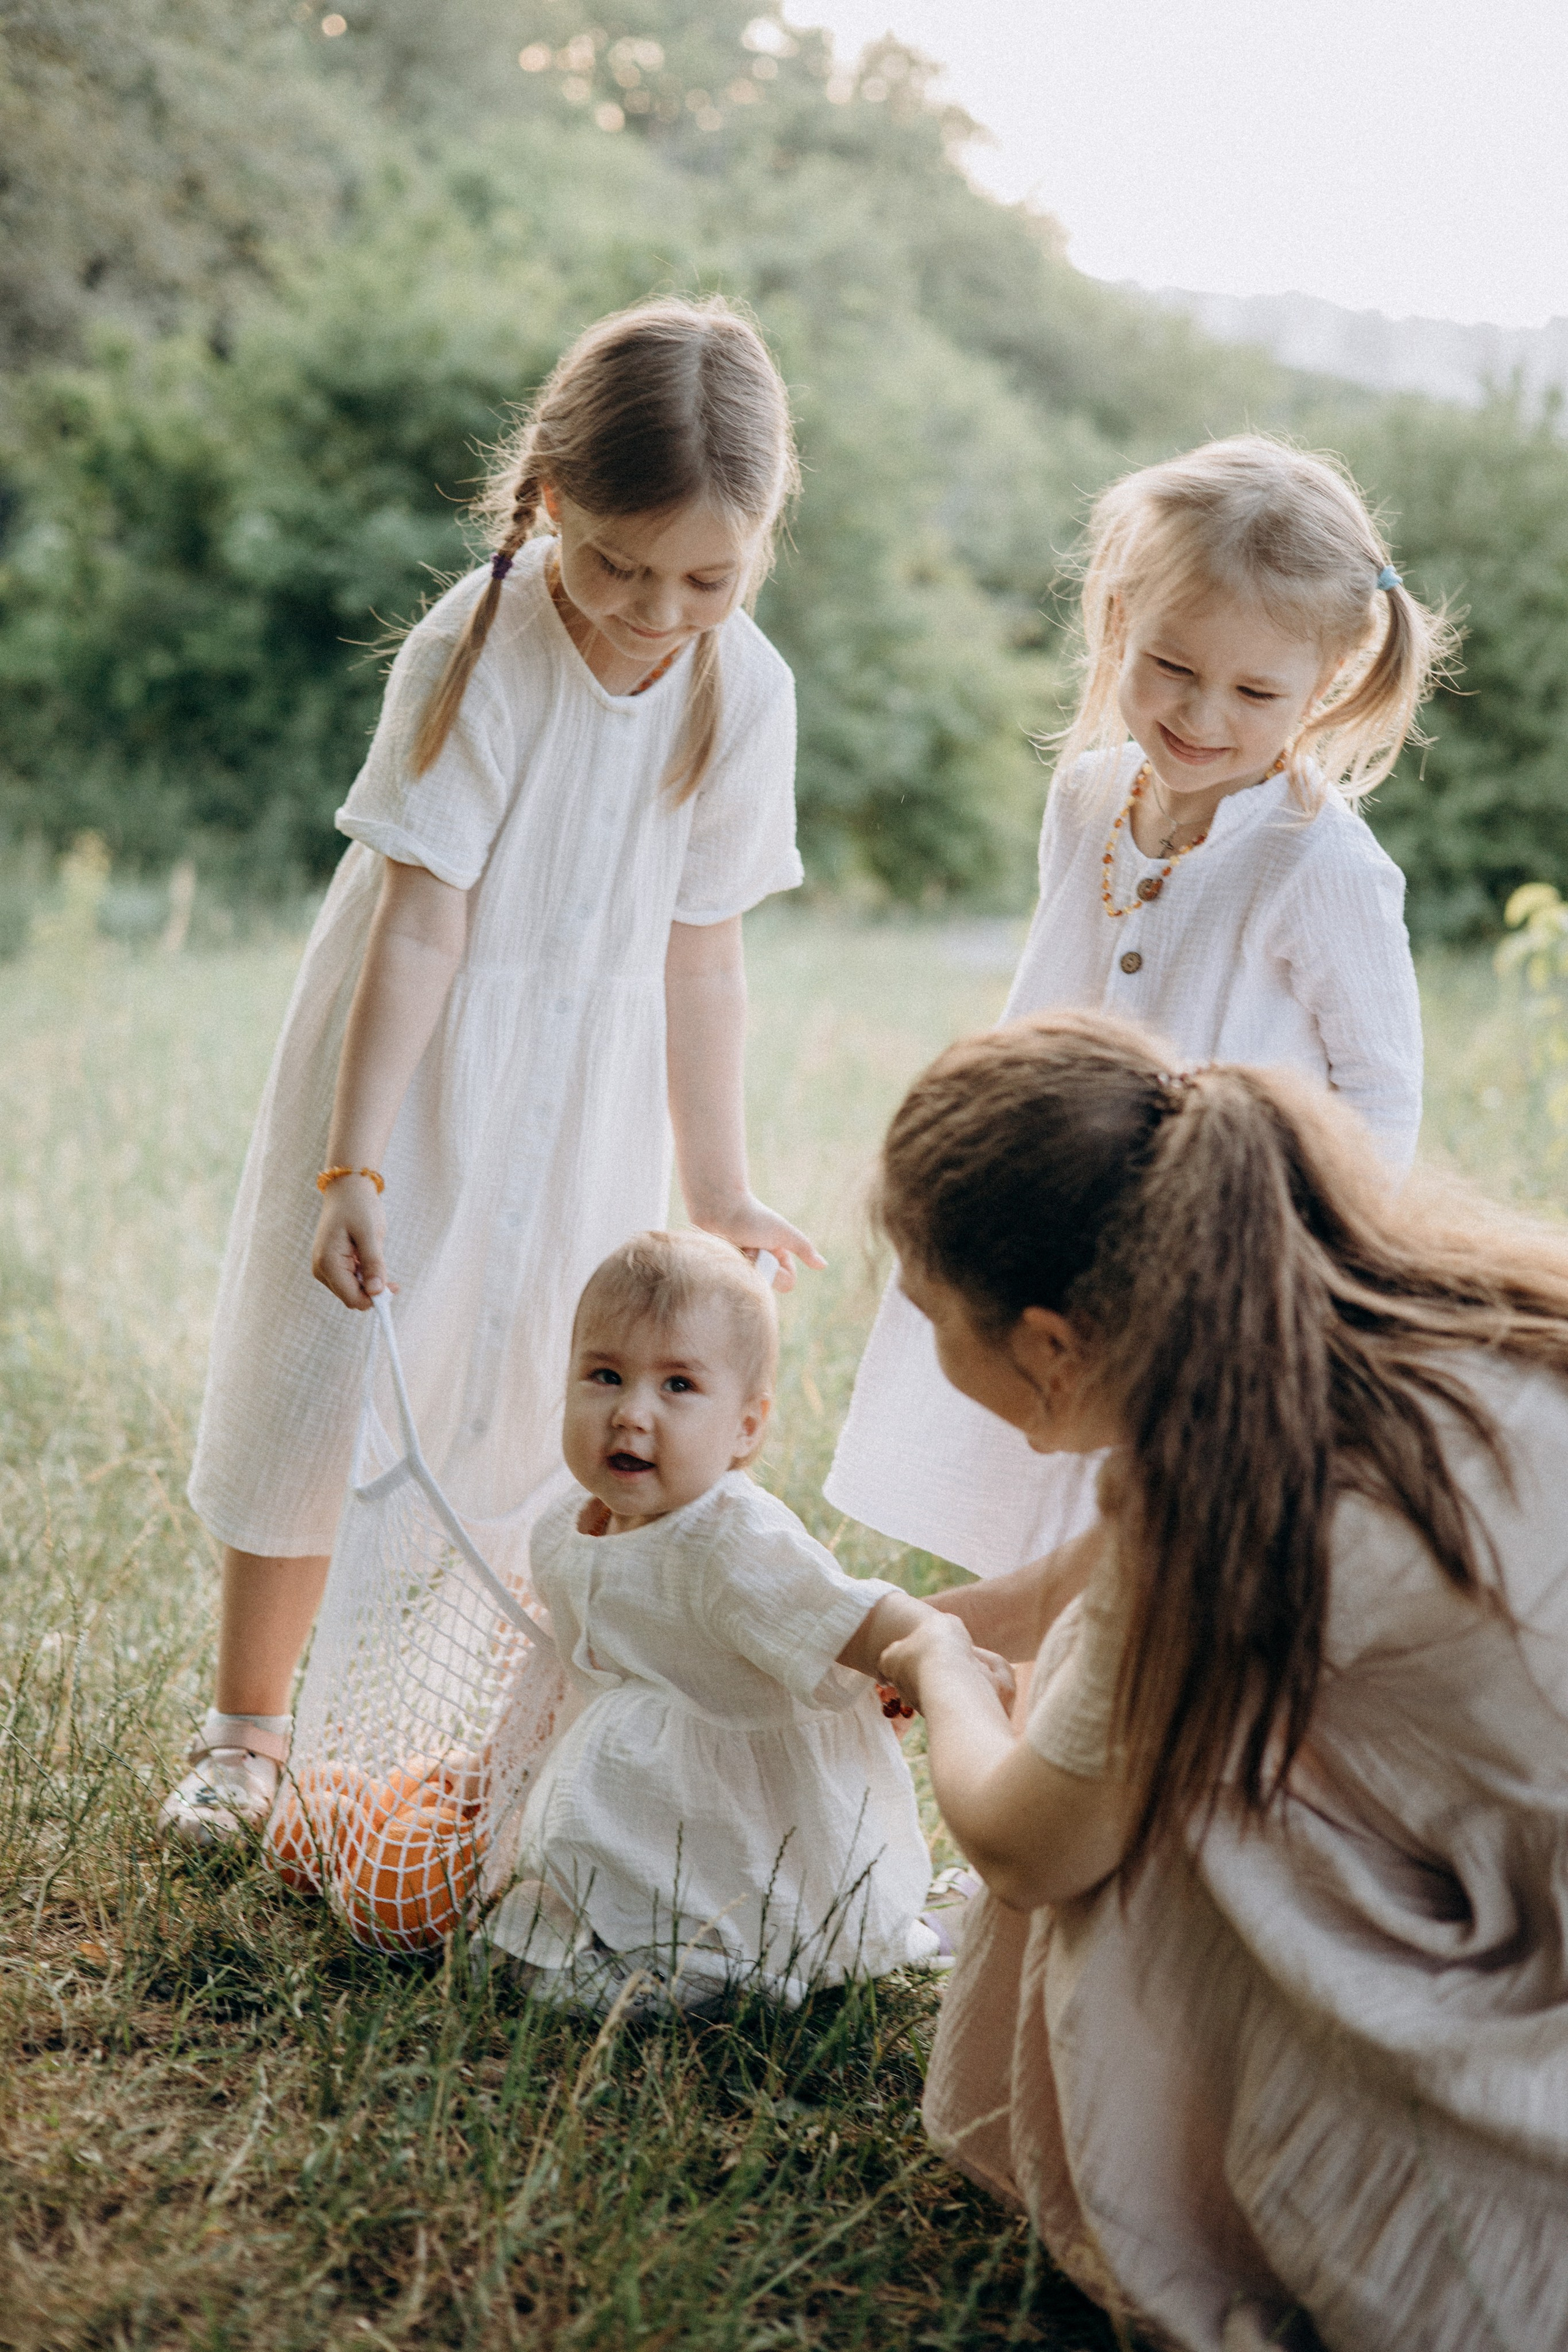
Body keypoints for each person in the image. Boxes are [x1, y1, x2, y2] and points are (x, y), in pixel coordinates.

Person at [164, 296, 822, 1840]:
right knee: (326, 1376)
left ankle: (494, 1750)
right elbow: (419, 925)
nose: (656, 610)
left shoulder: (743, 687)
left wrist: (719, 1185)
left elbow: (703, 954)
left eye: (706, 579)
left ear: (758, 546)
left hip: (587, 1083)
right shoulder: (479, 644)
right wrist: (353, 1162)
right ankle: (247, 1733)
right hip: (412, 1063)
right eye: (617, 564)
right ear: (547, 498)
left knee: (547, 1395)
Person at [869, 1008, 1568, 2351]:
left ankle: (1214, 2202)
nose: (928, 1348)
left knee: (1157, 1780)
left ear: (1050, 1347)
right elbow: (1137, 1547)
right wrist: (1001, 1607)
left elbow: (1028, 1845)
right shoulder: (1415, 1319)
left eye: (928, 1316)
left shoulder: (1230, 1513)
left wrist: (941, 1667)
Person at [826, 435, 1455, 1592]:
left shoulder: (1319, 865)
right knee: (1028, 1463)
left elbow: (1381, 1086)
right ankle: (1014, 1669)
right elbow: (1053, 986)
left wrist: (1320, 1267)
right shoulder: (1088, 796)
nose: (1202, 714)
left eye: (1255, 693)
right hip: (1060, 1204)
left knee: (1143, 1527)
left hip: (1208, 1251)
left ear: (1323, 686)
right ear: (1119, 622)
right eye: (1171, 666)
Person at [478, 1231, 961, 2012]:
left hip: (745, 1822)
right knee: (522, 1937)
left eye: (678, 1385)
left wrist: (933, 1654)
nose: (631, 1413)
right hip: (650, 1805)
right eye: (605, 1376)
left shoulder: (729, 1539)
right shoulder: (564, 1529)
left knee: (731, 1928)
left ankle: (726, 1971)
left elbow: (854, 1609)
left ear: (746, 1427)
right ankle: (620, 1924)